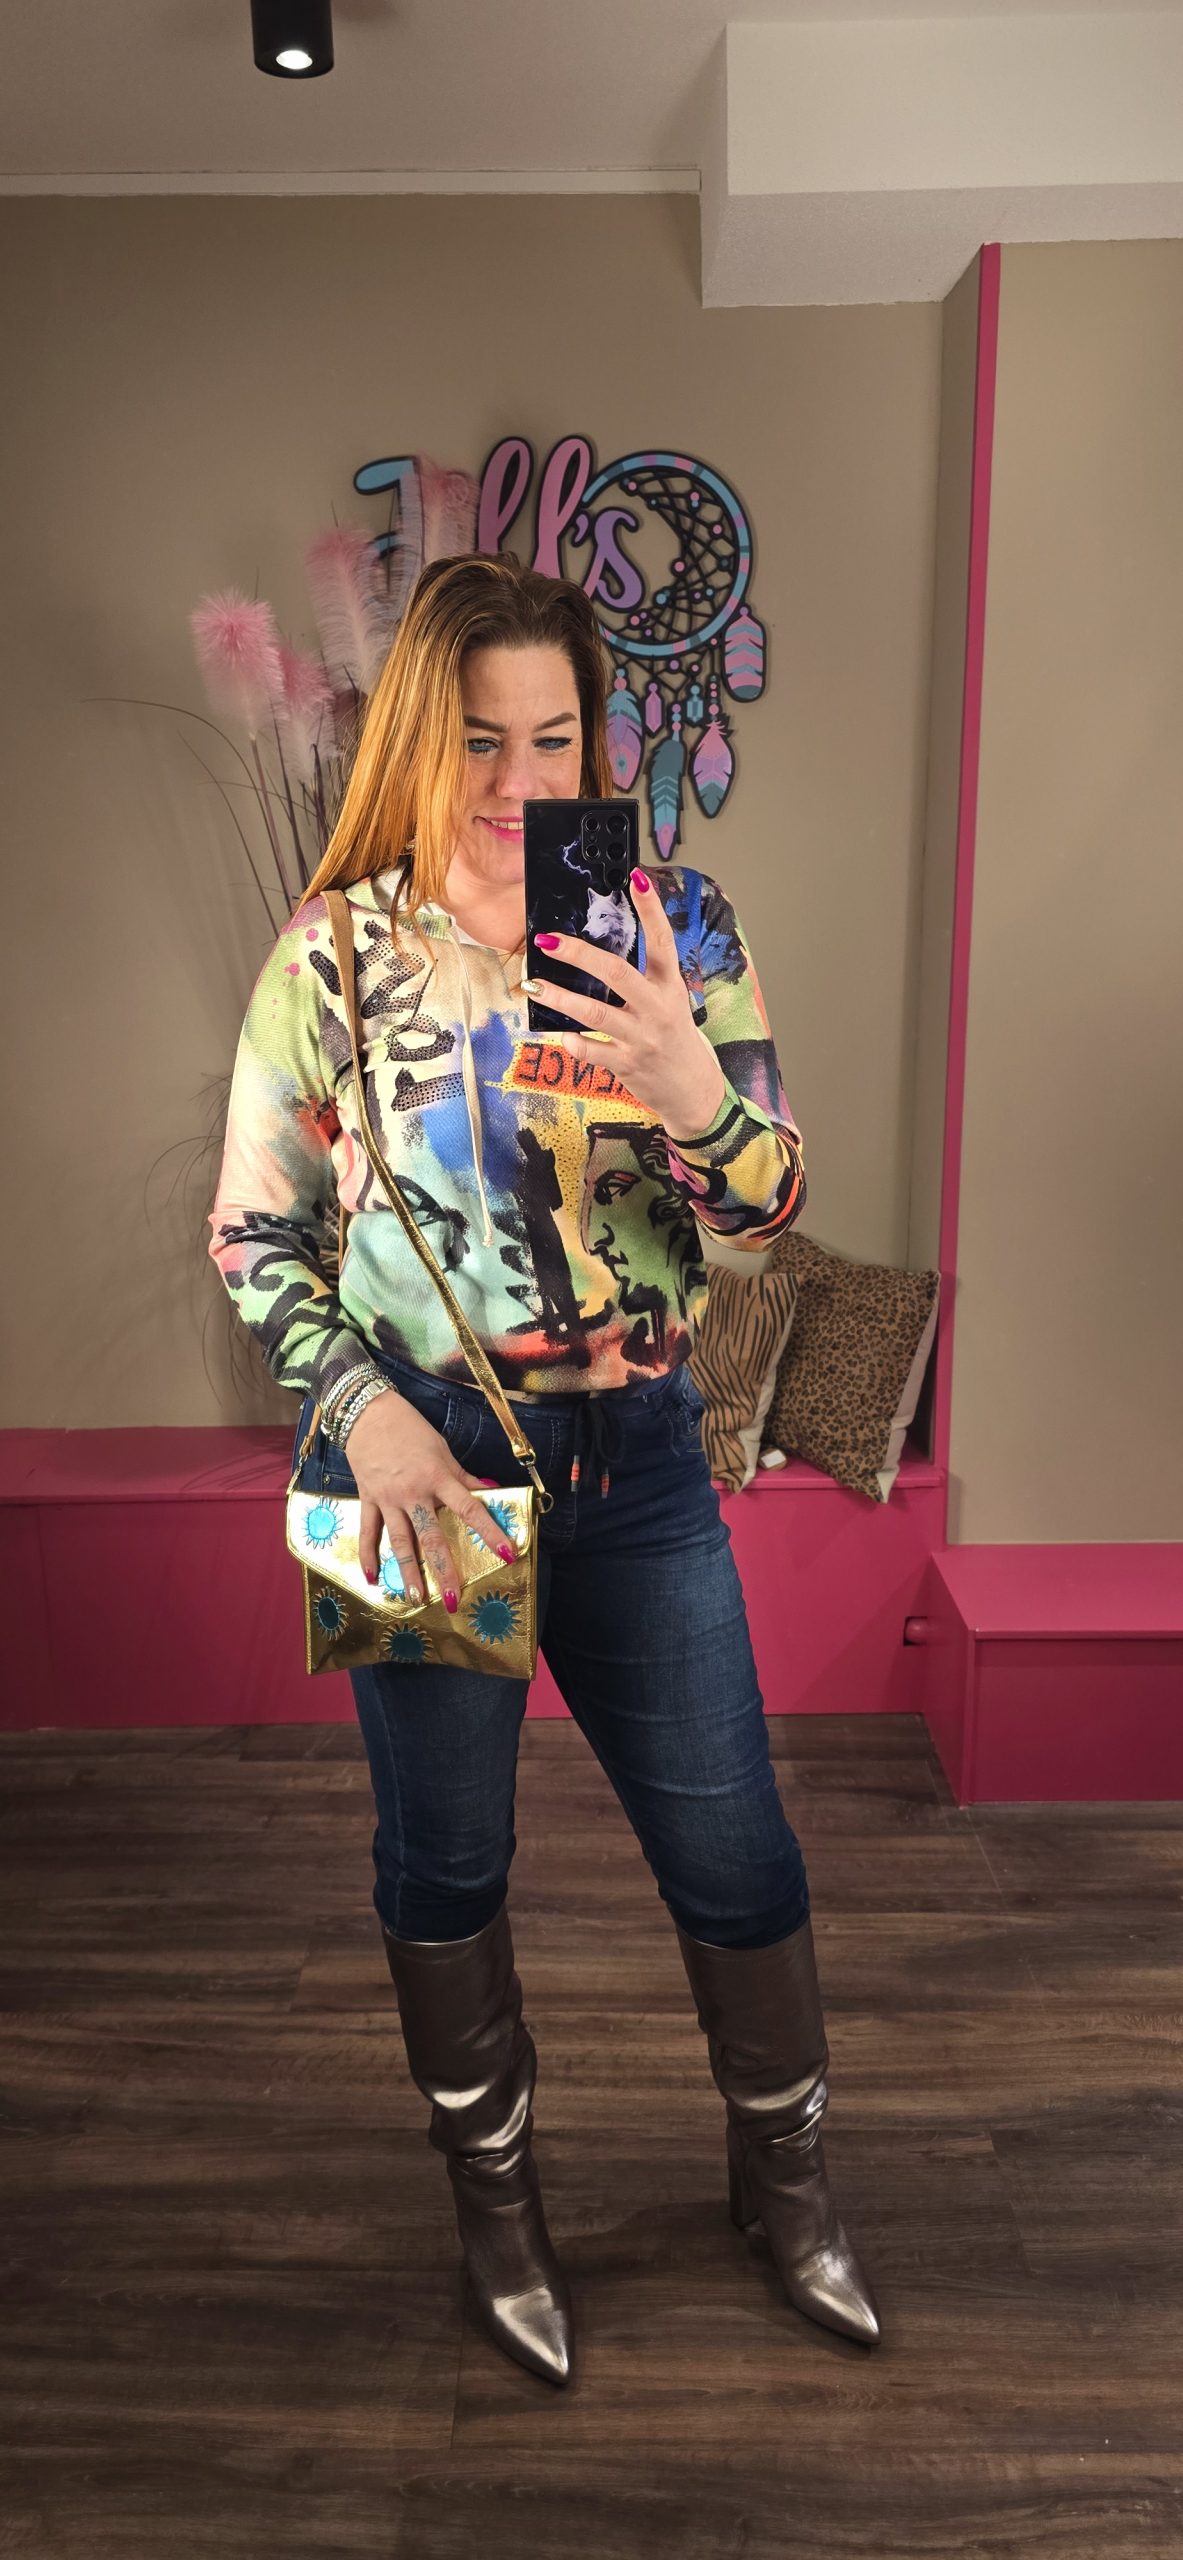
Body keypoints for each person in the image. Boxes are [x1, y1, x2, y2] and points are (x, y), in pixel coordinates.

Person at [208, 554, 881, 2386]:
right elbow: (255, 1234)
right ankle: (497, 2213)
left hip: (639, 1465)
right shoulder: (335, 955)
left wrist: (689, 1084)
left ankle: (787, 2183)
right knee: (444, 1865)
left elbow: (770, 1210)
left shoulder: (676, 925)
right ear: (420, 746)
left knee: (735, 1845)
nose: (520, 782)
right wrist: (361, 1408)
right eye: (480, 741)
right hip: (415, 1469)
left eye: (556, 737)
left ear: (598, 741)